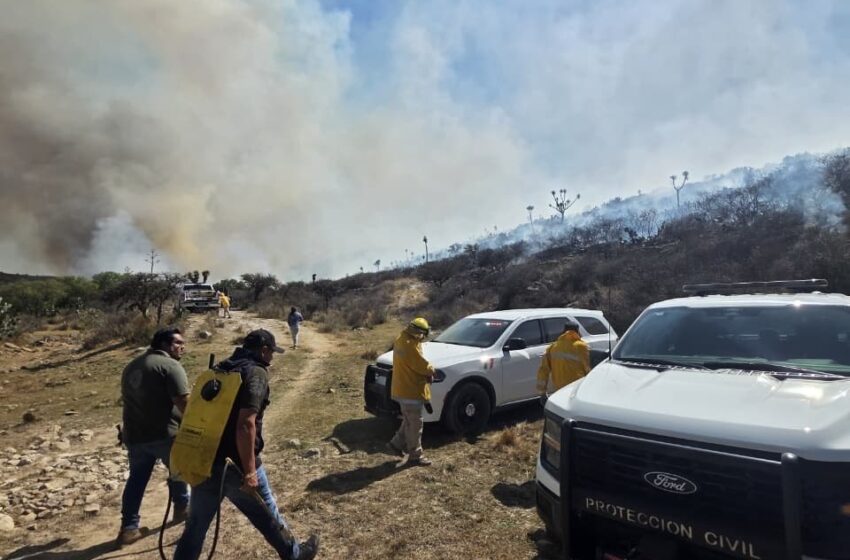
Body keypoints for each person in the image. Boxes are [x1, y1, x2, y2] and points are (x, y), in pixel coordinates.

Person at [174, 329, 319, 560]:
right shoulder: (256, 373)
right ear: (263, 350)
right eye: (271, 352)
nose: (272, 357)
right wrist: (250, 471)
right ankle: (294, 555)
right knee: (267, 514)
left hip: (206, 458)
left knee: (196, 524)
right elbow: (245, 424)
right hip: (236, 465)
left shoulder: (221, 368)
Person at [117, 327, 191, 546]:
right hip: (165, 434)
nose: (182, 347)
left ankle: (128, 528)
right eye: (178, 343)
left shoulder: (131, 366)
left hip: (135, 435)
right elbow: (184, 402)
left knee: (136, 480)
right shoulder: (170, 366)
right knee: (178, 471)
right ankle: (182, 507)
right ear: (165, 345)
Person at [387, 317, 435, 466]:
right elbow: (421, 365)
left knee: (409, 420)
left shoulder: (402, 339)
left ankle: (395, 444)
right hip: (410, 390)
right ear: (418, 332)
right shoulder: (409, 345)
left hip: (402, 388)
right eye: (422, 334)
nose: (423, 337)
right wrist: (431, 371)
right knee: (415, 425)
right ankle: (415, 456)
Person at [537, 319, 591, 405]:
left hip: (559, 390)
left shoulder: (552, 347)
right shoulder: (582, 346)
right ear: (577, 331)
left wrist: (542, 392)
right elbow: (589, 368)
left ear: (563, 331)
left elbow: (543, 371)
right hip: (576, 388)